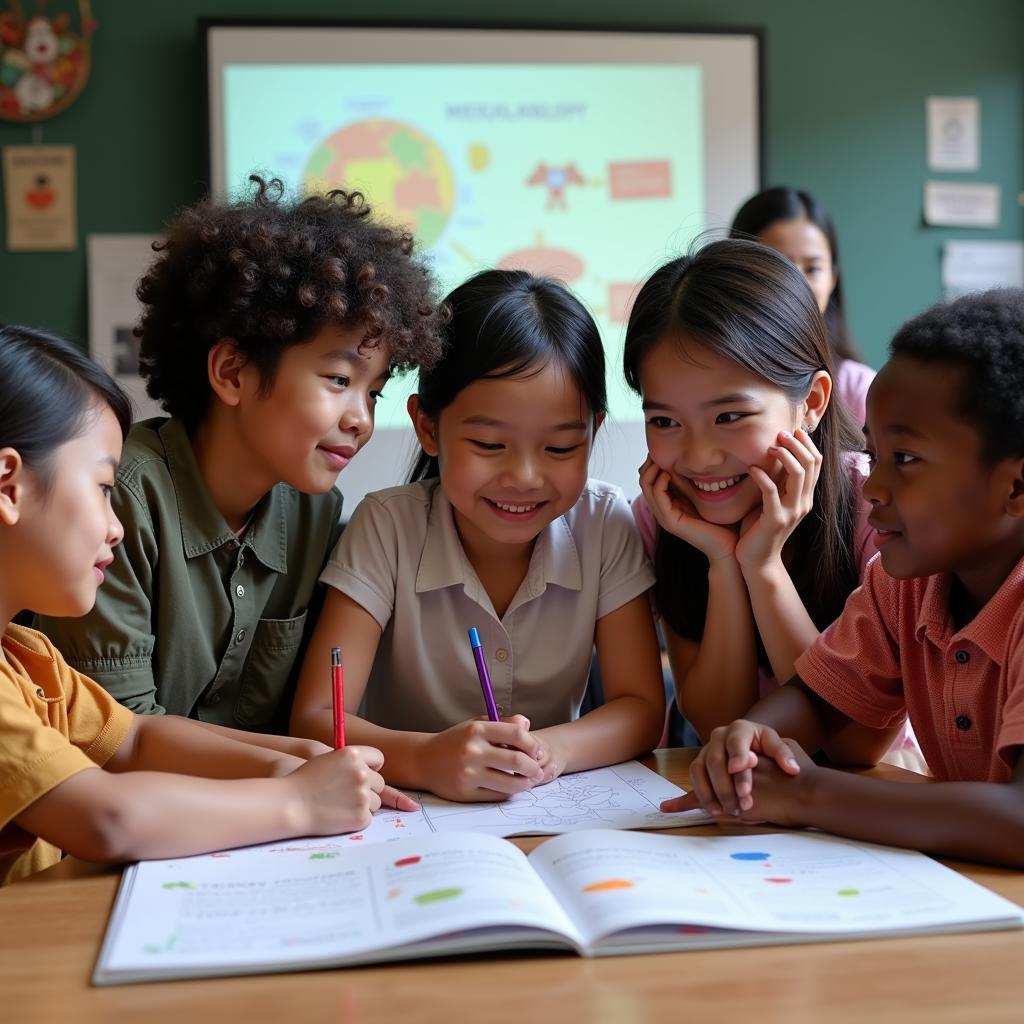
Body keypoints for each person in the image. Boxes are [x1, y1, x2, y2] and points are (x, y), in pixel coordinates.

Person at [0, 325, 415, 884]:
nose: (116, 528)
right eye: (102, 488)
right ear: (8, 486)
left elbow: (137, 739)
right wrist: (298, 802)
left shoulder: (26, 656)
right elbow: (107, 819)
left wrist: (290, 762)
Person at [37, 177, 443, 733]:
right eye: (338, 378)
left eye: (373, 393)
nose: (361, 418)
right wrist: (301, 771)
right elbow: (114, 738)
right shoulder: (122, 501)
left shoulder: (313, 514)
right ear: (232, 372)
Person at [664, 289, 1024, 868]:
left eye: (904, 460)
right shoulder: (904, 584)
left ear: (1015, 487)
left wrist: (805, 792)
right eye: (875, 455)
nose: (874, 486)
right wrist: (747, 740)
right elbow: (817, 700)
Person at [290, 269, 665, 801]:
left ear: (593, 433)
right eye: (490, 445)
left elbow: (642, 708)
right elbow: (316, 716)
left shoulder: (604, 522)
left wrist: (551, 751)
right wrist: (425, 759)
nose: (526, 477)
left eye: (560, 449)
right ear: (427, 426)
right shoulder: (387, 526)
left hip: (542, 810)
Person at [624, 239, 905, 754]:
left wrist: (765, 564)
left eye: (730, 417)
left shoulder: (877, 510)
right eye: (664, 420)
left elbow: (855, 746)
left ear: (813, 403)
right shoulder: (662, 517)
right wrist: (723, 562)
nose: (700, 457)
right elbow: (717, 723)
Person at [731, 186, 875, 425]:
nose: (798, 286)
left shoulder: (860, 390)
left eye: (813, 269)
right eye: (779, 267)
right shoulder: (711, 375)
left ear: (833, 279)